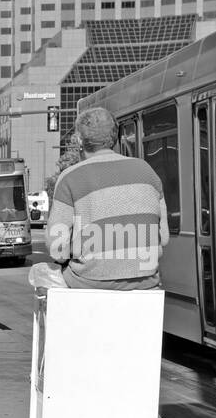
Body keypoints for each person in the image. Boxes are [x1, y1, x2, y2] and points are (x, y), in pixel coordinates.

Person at [47, 106, 168, 290]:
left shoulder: (70, 177)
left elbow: (58, 249)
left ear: (80, 140)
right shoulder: (147, 171)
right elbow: (164, 238)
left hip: (89, 283)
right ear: (115, 137)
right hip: (146, 282)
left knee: (47, 278)